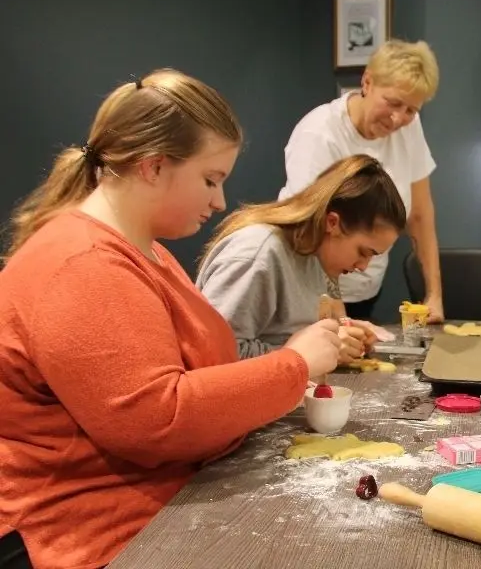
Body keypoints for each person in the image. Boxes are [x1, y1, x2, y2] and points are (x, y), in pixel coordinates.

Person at [0, 70, 347, 569]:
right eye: (211, 179)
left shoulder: (147, 251)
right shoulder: (83, 263)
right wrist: (294, 365)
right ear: (153, 167)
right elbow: (154, 422)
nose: (220, 201)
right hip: (94, 531)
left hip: (160, 496)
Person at [280, 39, 443, 323]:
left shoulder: (409, 127)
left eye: (410, 110)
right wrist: (335, 308)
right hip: (308, 284)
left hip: (366, 285)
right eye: (392, 103)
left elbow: (419, 215)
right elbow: (310, 227)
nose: (397, 118)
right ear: (367, 82)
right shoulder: (319, 134)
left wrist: (434, 296)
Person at [196, 154, 404, 360]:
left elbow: (289, 331)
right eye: (363, 252)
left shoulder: (315, 254)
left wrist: (340, 333)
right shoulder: (258, 256)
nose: (363, 267)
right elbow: (213, 356)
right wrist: (304, 354)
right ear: (332, 223)